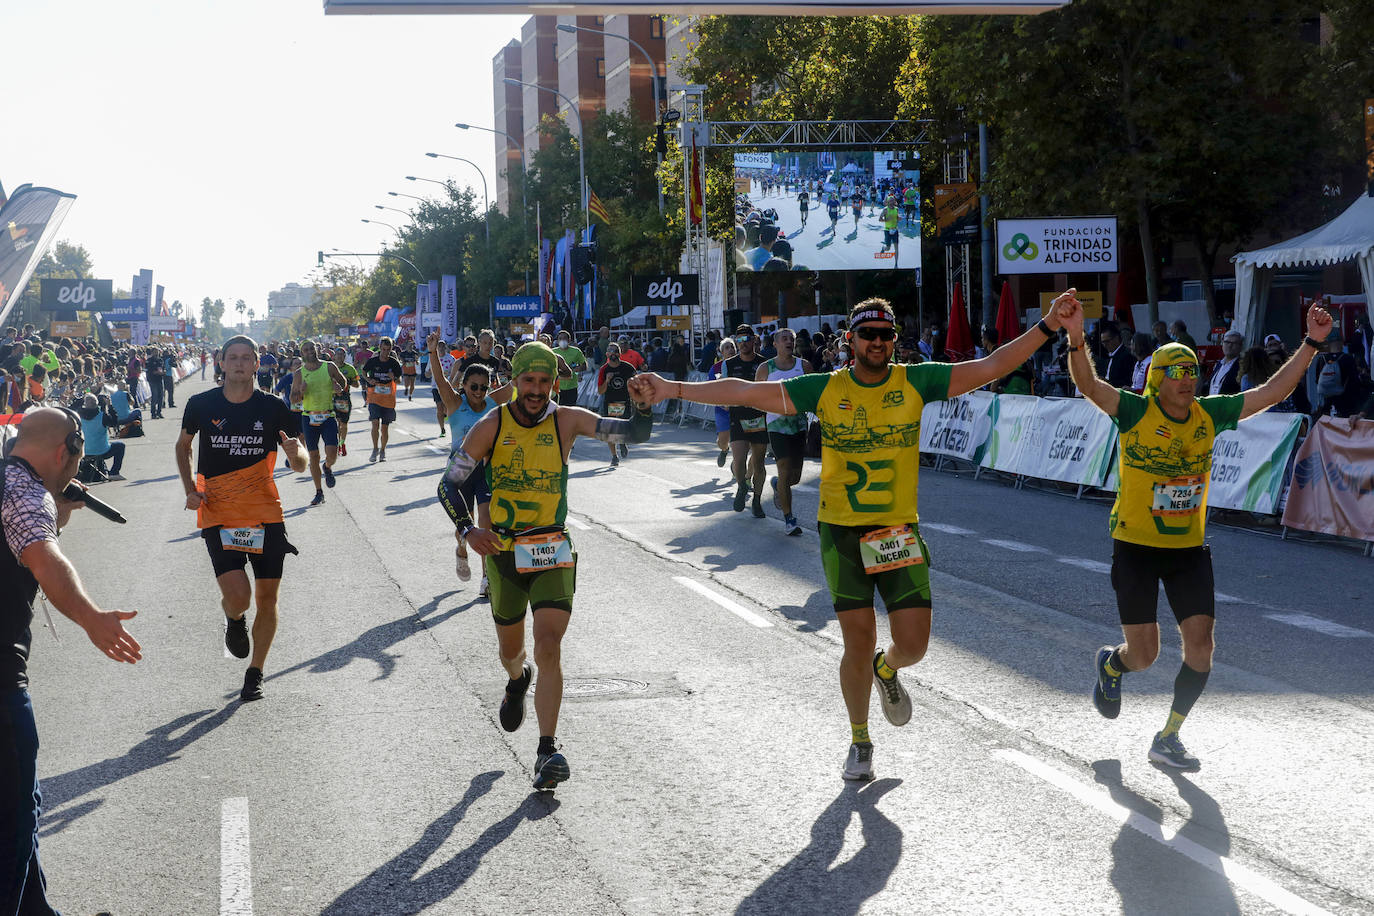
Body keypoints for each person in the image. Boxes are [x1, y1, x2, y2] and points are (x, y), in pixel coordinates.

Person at [631, 296, 1073, 781]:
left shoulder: (916, 381)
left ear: (893, 341)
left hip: (897, 531)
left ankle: (890, 669)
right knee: (856, 643)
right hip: (841, 532)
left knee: (915, 645)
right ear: (851, 341)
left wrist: (1049, 324)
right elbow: (745, 393)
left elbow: (991, 365)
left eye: (885, 334)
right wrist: (672, 387)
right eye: (868, 335)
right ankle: (860, 739)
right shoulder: (825, 388)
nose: (878, 342)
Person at [1063, 297, 1333, 770]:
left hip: (1189, 550)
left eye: (1192, 371)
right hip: (1136, 548)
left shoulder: (1211, 414)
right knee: (1144, 654)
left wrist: (1311, 343)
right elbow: (1087, 383)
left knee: (1202, 648)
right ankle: (1113, 663)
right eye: (1177, 372)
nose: (1188, 379)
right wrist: (1073, 335)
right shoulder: (1134, 412)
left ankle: (1168, 735)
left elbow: (1271, 393)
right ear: (1157, 380)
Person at [436, 341, 653, 790]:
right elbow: (448, 486)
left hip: (552, 549)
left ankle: (546, 751)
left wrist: (644, 408)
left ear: (555, 382)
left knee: (549, 644)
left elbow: (632, 434)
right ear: (514, 381)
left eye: (543, 381)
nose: (536, 390)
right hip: (504, 553)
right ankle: (517, 681)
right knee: (510, 654)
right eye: (528, 381)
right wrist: (468, 531)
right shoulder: (491, 424)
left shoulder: (566, 419)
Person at [1, 407, 142, 912]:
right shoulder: (23, 491)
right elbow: (42, 555)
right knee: (11, 824)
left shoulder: (10, 482)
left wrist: (58, 505)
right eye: (74, 465)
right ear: (64, 451)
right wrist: (92, 618)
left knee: (24, 805)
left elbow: (25, 535)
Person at [176, 335, 307, 702]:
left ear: (256, 364)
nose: (238, 364)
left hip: (265, 514)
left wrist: (297, 456)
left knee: (267, 597)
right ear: (220, 362)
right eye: (231, 357)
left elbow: (299, 464)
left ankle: (255, 673)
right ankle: (234, 619)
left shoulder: (273, 408)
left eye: (245, 358)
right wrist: (190, 488)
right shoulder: (201, 404)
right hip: (218, 514)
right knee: (240, 597)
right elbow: (183, 446)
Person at [428, 332, 513, 593]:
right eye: (473, 387)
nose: (478, 392)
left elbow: (518, 383)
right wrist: (433, 352)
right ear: (464, 386)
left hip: (485, 471)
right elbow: (441, 381)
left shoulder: (491, 402)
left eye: (483, 387)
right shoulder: (454, 403)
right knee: (466, 524)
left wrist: (541, 354)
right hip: (460, 472)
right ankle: (462, 547)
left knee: (485, 522)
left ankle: (487, 578)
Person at [757, 329, 812, 536]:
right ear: (776, 343)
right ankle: (789, 519)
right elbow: (756, 396)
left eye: (792, 339)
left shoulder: (804, 366)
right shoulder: (765, 369)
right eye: (785, 339)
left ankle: (778, 485)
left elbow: (813, 394)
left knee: (794, 477)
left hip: (798, 425)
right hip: (776, 425)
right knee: (784, 467)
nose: (789, 342)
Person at [290, 340, 349, 507]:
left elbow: (343, 382)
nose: (310, 351)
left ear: (317, 349)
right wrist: (301, 392)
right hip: (308, 417)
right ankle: (319, 492)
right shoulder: (299, 374)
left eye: (311, 348)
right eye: (306, 350)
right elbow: (293, 399)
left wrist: (338, 387)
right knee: (313, 455)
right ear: (302, 354)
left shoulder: (329, 367)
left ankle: (328, 467)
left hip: (328, 415)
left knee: (332, 453)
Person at [724, 326, 769, 518]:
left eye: (746, 339)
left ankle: (757, 501)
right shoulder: (729, 364)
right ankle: (742, 486)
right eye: (739, 340)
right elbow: (723, 387)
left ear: (754, 341)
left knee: (758, 463)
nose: (742, 344)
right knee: (739, 459)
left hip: (759, 417)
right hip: (737, 416)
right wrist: (724, 402)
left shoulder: (764, 363)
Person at [597, 343, 638, 467]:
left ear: (619, 354)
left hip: (624, 401)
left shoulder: (628, 368)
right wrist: (607, 380)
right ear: (607, 354)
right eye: (610, 351)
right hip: (610, 402)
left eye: (615, 351)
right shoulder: (604, 370)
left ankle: (622, 442)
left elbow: (637, 385)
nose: (613, 354)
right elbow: (600, 391)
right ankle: (614, 456)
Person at [362, 337, 403, 462]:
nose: (385, 352)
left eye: (388, 350)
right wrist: (369, 380)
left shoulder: (394, 363)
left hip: (388, 399)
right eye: (383, 349)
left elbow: (399, 380)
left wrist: (394, 377)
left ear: (391, 349)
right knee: (375, 424)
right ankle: (375, 449)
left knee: (384, 428)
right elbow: (363, 372)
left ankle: (383, 450)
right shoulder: (373, 361)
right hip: (374, 397)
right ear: (380, 348)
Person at [77, 392, 125, 481]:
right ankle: (114, 472)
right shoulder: (103, 416)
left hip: (84, 451)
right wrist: (110, 406)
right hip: (102, 450)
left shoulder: (78, 416)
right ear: (97, 404)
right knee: (120, 446)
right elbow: (114, 423)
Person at [707, 338, 738, 467]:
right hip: (722, 410)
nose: (730, 350)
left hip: (740, 408)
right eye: (727, 348)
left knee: (741, 442)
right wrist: (722, 404)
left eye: (732, 347)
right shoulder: (715, 368)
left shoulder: (741, 363)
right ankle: (724, 450)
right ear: (721, 352)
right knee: (723, 441)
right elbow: (710, 389)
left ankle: (738, 464)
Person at [330, 345, 360, 456]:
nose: (340, 357)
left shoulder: (350, 369)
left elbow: (357, 385)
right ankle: (337, 444)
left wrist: (348, 381)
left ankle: (342, 443)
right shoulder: (330, 368)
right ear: (334, 356)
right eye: (338, 355)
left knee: (344, 424)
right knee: (336, 423)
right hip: (332, 398)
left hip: (344, 398)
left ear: (345, 356)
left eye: (342, 355)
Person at [552, 330, 587, 407]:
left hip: (571, 387)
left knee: (570, 410)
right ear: (557, 341)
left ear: (569, 340)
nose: (562, 340)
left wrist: (579, 368)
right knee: (557, 411)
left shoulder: (576, 351)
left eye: (564, 338)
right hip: (557, 388)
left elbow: (584, 365)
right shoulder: (553, 352)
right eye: (560, 339)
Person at [1096, 321, 1136, 390]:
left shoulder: (1127, 355)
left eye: (1107, 341)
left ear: (1116, 338)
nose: (1105, 345)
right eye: (1103, 342)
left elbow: (1128, 381)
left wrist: (1107, 382)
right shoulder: (1106, 356)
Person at [1205, 329, 1243, 395]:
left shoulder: (1242, 366)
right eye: (1227, 342)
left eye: (1234, 343)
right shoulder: (1219, 364)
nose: (1229, 346)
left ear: (1240, 346)